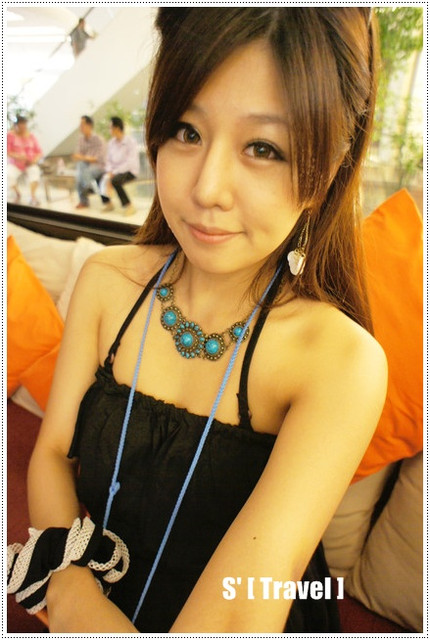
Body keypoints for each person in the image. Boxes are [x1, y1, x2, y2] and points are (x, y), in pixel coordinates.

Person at [21, 8, 387, 633]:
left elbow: (246, 607)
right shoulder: (106, 282)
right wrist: (73, 590)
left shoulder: (339, 362)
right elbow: (52, 454)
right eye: (186, 132)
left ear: (324, 174)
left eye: (262, 148)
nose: (207, 188)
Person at [99, 116, 139, 216]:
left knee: (115, 180)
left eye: (110, 127)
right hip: (114, 171)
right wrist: (109, 171)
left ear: (116, 128)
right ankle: (108, 203)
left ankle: (129, 206)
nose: (109, 130)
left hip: (129, 171)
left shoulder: (130, 142)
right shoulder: (111, 143)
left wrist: (113, 173)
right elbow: (108, 160)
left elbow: (130, 163)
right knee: (99, 177)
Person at [7, 115, 42, 206]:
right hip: (15, 164)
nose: (23, 127)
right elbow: (7, 151)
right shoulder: (10, 135)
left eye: (24, 125)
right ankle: (17, 193)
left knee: (35, 172)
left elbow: (39, 152)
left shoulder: (31, 136)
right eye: (20, 125)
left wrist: (34, 160)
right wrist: (19, 156)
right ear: (16, 125)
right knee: (8, 175)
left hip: (30, 163)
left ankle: (32, 196)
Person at [72, 115, 105, 209]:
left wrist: (83, 157)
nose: (80, 127)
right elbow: (78, 155)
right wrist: (83, 158)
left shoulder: (98, 139)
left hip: (98, 166)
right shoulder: (81, 139)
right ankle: (88, 186)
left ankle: (86, 195)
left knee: (82, 173)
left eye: (82, 124)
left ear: (89, 125)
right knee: (80, 168)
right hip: (86, 165)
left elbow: (98, 158)